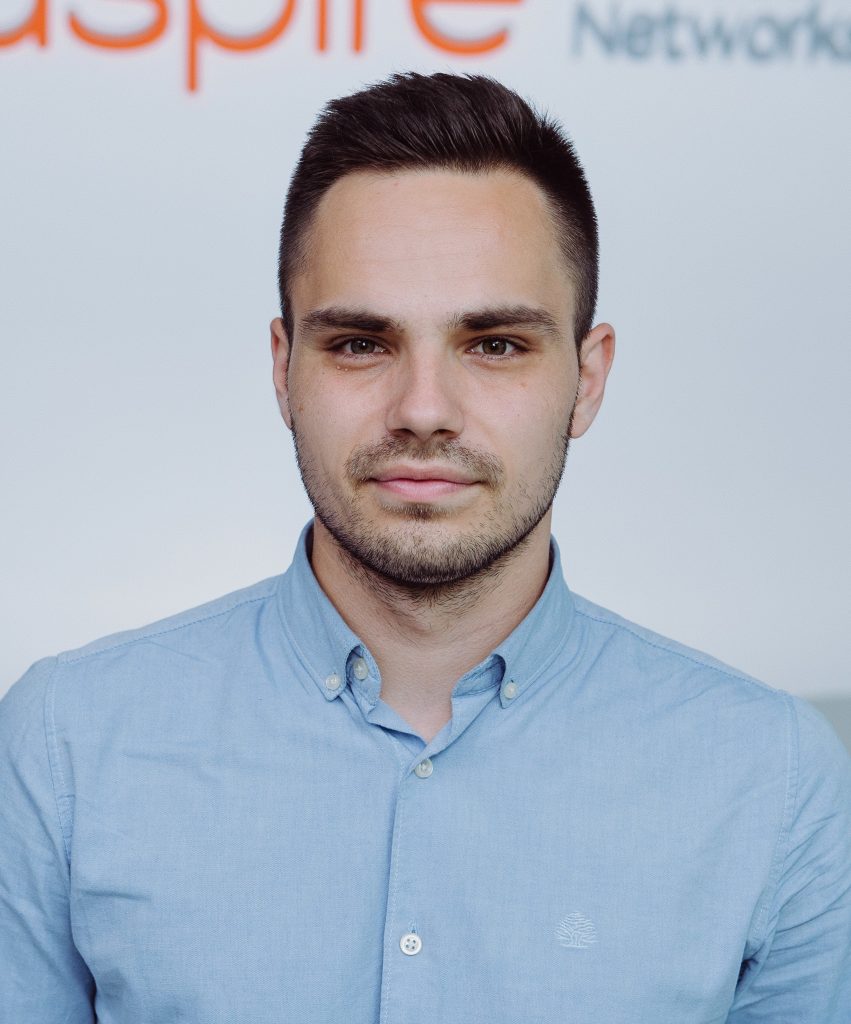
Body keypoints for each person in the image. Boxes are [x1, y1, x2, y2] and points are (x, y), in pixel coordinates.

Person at [1, 72, 849, 1024]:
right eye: (360, 344)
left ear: (587, 378)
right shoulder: (65, 746)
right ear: (284, 370)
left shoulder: (769, 777)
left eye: (494, 344)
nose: (422, 411)